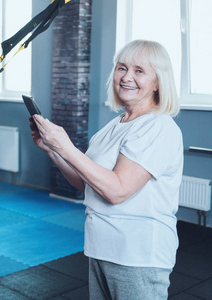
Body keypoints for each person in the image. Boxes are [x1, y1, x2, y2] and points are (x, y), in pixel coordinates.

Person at [30, 40, 182, 299]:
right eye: (122, 68)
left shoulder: (157, 127)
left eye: (139, 71)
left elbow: (117, 191)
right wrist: (53, 150)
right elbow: (87, 182)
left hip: (138, 254)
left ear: (158, 82)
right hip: (101, 247)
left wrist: (66, 146)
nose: (126, 77)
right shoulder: (114, 126)